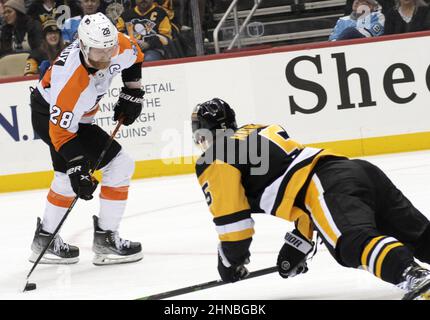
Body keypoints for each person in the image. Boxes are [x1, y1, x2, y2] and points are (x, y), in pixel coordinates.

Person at [191, 98, 430, 300]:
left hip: (325, 186)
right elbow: (300, 194)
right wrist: (298, 247)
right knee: (418, 235)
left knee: (351, 243)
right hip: (355, 171)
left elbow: (235, 229)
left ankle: (413, 275)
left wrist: (229, 262)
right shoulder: (257, 130)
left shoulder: (214, 160)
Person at [29, 12, 145, 266]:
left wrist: (132, 91)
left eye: (109, 49)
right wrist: (77, 165)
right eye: (97, 52)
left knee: (65, 177)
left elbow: (136, 56)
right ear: (82, 46)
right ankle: (105, 240)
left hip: (78, 116)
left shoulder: (119, 45)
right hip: (49, 114)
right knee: (117, 165)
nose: (105, 57)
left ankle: (44, 240)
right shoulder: (70, 81)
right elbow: (60, 133)